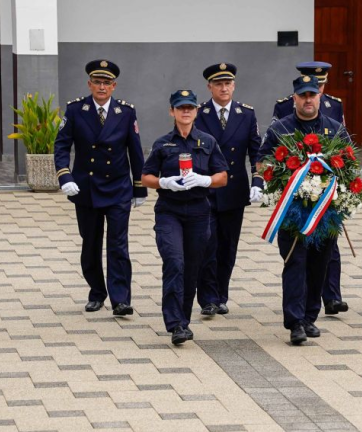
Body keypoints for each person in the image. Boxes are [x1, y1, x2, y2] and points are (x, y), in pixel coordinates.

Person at [261, 75, 350, 344]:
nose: (308, 100)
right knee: (295, 263)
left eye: (313, 94)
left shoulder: (334, 128)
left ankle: (310, 316)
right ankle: (294, 322)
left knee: (318, 266)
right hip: (293, 212)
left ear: (320, 96)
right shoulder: (281, 129)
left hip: (325, 213)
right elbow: (262, 160)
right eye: (303, 95)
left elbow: (348, 163)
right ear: (294, 98)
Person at [54, 59, 146, 316]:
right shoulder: (76, 110)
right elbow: (61, 145)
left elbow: (135, 151)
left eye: (107, 83)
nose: (102, 87)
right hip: (87, 188)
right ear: (89, 84)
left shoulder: (125, 112)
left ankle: (121, 299)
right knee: (91, 244)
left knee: (118, 244)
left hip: (117, 188)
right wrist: (65, 176)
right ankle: (96, 293)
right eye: (97, 82)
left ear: (114, 86)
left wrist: (139, 188)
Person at [141, 90, 227, 345]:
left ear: (196, 111)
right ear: (172, 112)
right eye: (181, 108)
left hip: (199, 211)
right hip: (170, 211)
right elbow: (146, 177)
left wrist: (206, 179)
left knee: (191, 268)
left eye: (190, 107)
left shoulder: (208, 142)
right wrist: (164, 183)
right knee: (174, 262)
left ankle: (183, 322)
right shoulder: (163, 143)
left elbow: (223, 176)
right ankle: (174, 322)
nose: (185, 112)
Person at [195, 62, 263, 316]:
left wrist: (258, 180)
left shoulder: (246, 114)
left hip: (234, 189)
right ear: (209, 87)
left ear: (233, 86)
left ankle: (221, 294)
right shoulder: (199, 114)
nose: (224, 88)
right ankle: (208, 298)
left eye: (228, 83)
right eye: (218, 84)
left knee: (228, 246)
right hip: (207, 188)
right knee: (206, 244)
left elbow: (256, 151)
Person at [272, 61, 345, 124]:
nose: (317, 91)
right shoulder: (283, 106)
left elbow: (342, 138)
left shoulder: (335, 105)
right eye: (313, 87)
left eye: (320, 85)